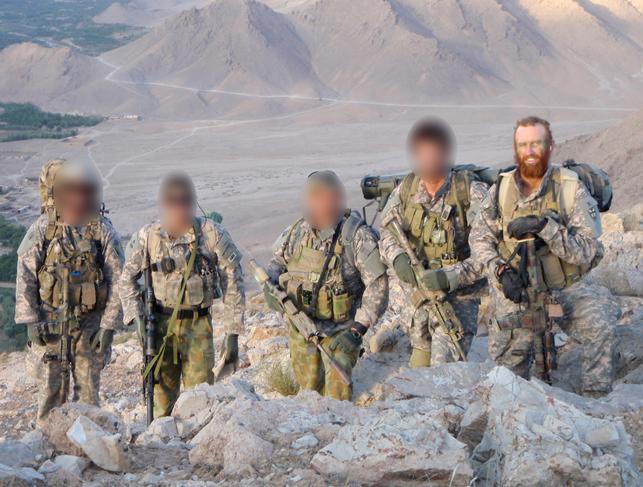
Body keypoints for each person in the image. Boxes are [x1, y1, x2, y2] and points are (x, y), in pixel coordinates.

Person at [470, 116, 615, 396]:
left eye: (536, 143)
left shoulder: (569, 187)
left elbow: (589, 250)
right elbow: (479, 240)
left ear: (550, 146)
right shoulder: (501, 189)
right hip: (516, 293)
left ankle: (598, 405)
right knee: (507, 368)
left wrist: (545, 228)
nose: (530, 151)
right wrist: (500, 272)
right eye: (523, 144)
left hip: (563, 293)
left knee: (600, 324)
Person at [119, 172, 245, 417]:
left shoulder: (211, 234)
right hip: (160, 326)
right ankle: (161, 444)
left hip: (198, 326)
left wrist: (233, 334)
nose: (179, 209)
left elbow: (233, 283)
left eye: (184, 202)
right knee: (161, 399)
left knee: (200, 399)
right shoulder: (148, 238)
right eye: (172, 202)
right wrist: (137, 321)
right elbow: (126, 281)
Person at [15, 159, 124, 421]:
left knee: (88, 393)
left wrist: (109, 326)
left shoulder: (101, 229)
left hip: (90, 325)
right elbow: (26, 273)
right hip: (50, 324)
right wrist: (30, 321)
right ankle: (48, 448)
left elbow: (119, 280)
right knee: (51, 392)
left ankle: (90, 445)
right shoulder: (44, 228)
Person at [265, 170, 388, 400]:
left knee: (337, 394)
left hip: (341, 332)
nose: (323, 204)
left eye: (328, 198)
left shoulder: (356, 237)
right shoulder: (296, 232)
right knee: (309, 392)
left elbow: (378, 285)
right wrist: (269, 287)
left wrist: (357, 331)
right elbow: (276, 264)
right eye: (317, 198)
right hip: (302, 326)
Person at [379, 119, 488, 367]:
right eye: (422, 153)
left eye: (435, 152)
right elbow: (387, 232)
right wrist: (397, 257)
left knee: (443, 374)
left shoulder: (470, 193)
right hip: (419, 301)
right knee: (418, 368)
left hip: (456, 303)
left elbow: (488, 253)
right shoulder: (406, 190)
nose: (428, 159)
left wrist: (449, 277)